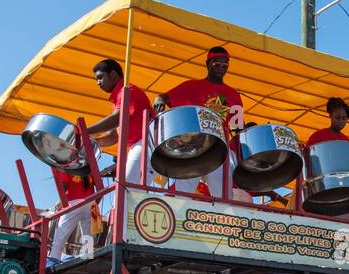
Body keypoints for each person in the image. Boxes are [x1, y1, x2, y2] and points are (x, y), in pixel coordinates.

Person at [163, 47, 247, 200]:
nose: (221, 68)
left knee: (223, 197)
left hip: (218, 148)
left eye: (224, 65)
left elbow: (239, 126)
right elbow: (164, 98)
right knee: (183, 194)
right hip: (192, 146)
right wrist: (159, 103)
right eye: (216, 64)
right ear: (207, 64)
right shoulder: (191, 86)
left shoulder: (233, 95)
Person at [85, 58, 155, 187]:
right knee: (130, 193)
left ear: (113, 74)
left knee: (125, 189)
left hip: (145, 144)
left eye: (100, 77)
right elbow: (113, 136)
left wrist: (84, 131)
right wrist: (90, 141)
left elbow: (116, 119)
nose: (98, 83)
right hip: (140, 146)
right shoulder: (121, 96)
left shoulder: (127, 91)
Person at [48, 167, 97, 262]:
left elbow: (64, 184)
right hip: (91, 202)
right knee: (87, 232)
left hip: (73, 201)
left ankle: (53, 259)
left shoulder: (67, 166)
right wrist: (94, 204)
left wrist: (61, 201)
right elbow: (99, 185)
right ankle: (87, 256)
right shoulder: (88, 167)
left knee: (62, 233)